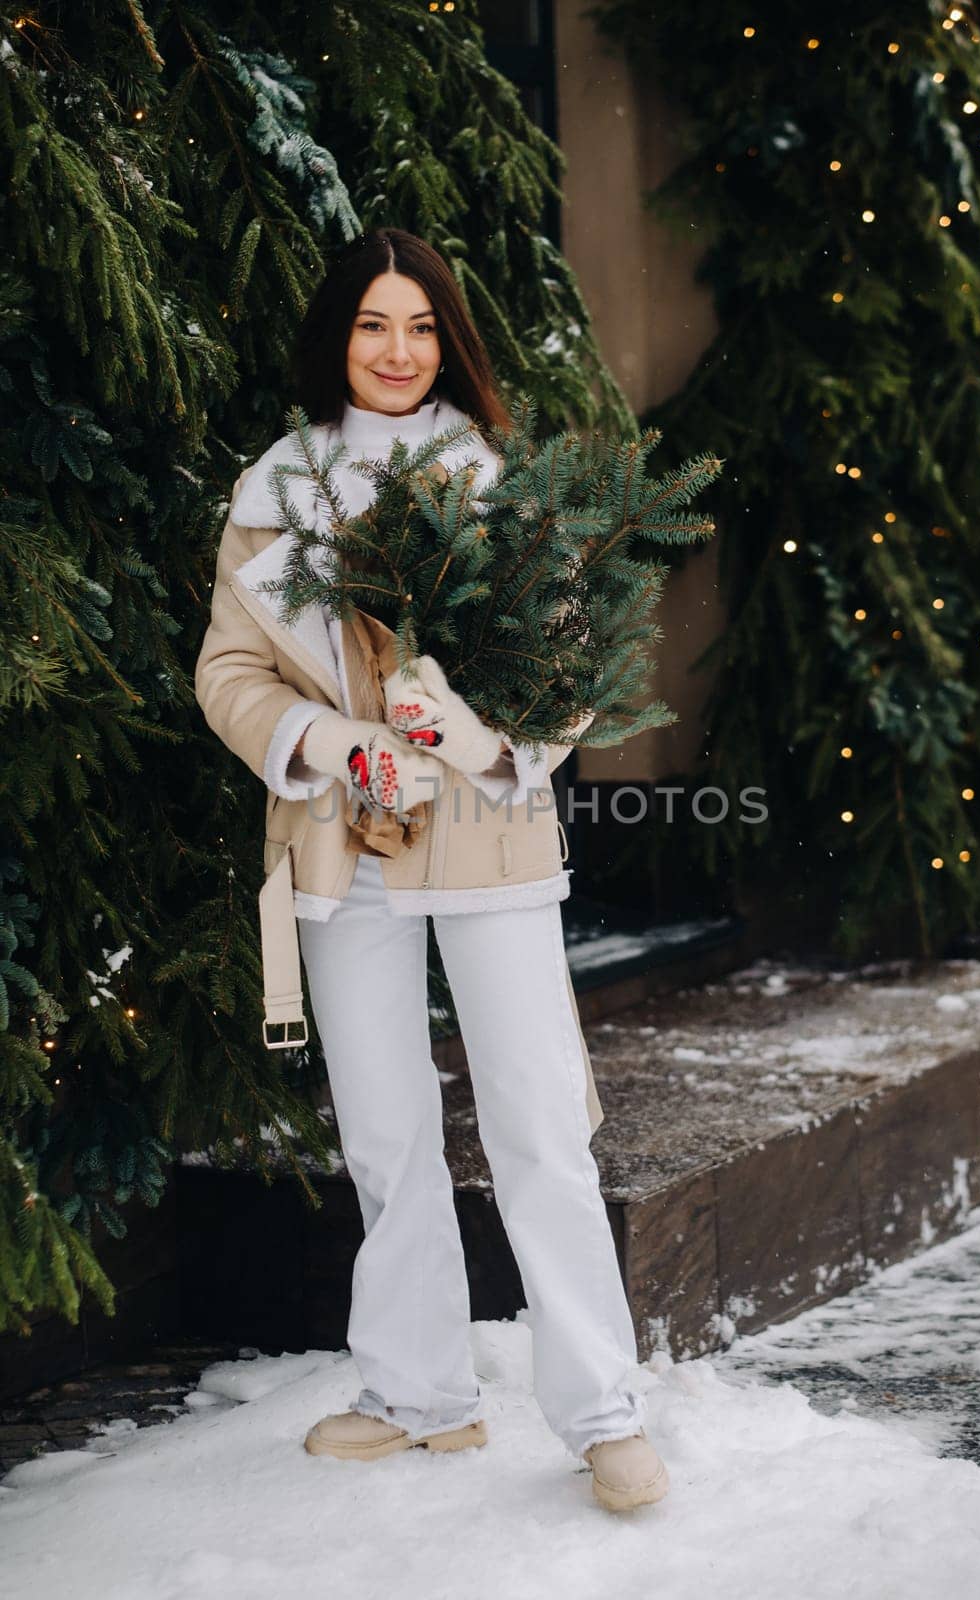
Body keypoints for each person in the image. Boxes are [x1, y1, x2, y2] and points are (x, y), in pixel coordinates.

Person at [194, 228, 669, 1513]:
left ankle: (602, 1411)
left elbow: (574, 675)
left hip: (490, 844)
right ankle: (417, 1394)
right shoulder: (270, 495)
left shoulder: (501, 488)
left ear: (446, 341)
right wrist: (329, 741)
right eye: (370, 326)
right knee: (387, 1133)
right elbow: (228, 674)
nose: (396, 352)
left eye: (418, 328)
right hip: (342, 848)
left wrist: (487, 739)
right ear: (336, 340)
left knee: (534, 1121)